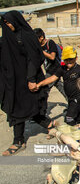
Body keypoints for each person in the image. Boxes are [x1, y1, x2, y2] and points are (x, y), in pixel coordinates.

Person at [0, 11, 55, 156]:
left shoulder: (27, 36)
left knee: (29, 108)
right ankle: (47, 126)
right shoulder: (6, 38)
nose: (7, 25)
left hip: (27, 80)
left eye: (9, 22)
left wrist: (31, 79)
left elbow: (34, 59)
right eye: (4, 23)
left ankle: (19, 140)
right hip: (13, 82)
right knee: (16, 109)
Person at [37, 46, 80, 126]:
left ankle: (73, 132)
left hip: (78, 97)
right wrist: (40, 84)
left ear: (76, 58)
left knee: (69, 118)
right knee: (78, 116)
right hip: (70, 97)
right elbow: (52, 78)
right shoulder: (62, 69)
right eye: (66, 59)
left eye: (71, 59)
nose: (68, 61)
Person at [34, 28, 67, 101]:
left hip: (55, 70)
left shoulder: (50, 43)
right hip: (48, 70)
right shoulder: (39, 46)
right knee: (61, 87)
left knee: (44, 89)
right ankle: (72, 103)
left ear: (42, 37)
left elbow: (52, 57)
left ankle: (42, 108)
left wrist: (41, 51)